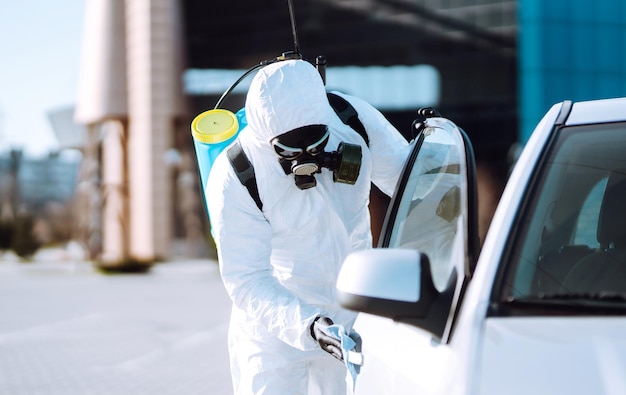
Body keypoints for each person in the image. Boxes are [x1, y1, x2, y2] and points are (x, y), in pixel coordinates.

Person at [206, 59, 410, 394]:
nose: (306, 159)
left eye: (315, 145)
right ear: (265, 136)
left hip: (351, 317)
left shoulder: (353, 121)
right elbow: (247, 279)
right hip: (274, 330)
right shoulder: (237, 175)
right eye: (289, 150)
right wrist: (310, 325)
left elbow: (415, 184)